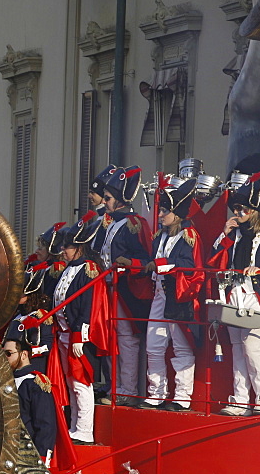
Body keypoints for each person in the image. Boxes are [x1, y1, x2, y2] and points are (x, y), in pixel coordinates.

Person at [208, 172, 260, 415]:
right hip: (233, 293)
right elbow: (213, 261)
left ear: (254, 210)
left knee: (252, 348)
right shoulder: (234, 234)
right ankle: (240, 400)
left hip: (256, 295)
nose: (237, 214)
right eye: (235, 209)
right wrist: (224, 234)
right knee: (236, 347)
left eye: (241, 209)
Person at [140, 179, 204, 411]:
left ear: (176, 214)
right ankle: (156, 393)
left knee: (181, 345)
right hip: (159, 295)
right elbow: (150, 262)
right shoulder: (160, 237)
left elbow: (188, 265)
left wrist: (160, 264)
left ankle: (182, 397)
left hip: (178, 296)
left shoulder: (189, 236)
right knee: (153, 345)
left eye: (165, 211)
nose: (160, 215)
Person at [93, 166, 152, 407]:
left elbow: (145, 258)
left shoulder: (133, 224)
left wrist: (129, 263)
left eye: (107, 198)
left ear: (119, 200)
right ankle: (113, 386)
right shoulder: (107, 223)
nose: (104, 202)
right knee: (111, 339)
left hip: (125, 289)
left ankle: (127, 389)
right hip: (106, 289)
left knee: (127, 339)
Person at [45, 221, 108, 445]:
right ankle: (75, 426)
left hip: (77, 334)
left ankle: (84, 429)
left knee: (81, 383)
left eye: (68, 247)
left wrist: (80, 334)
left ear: (79, 248)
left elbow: (87, 305)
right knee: (71, 382)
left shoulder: (88, 269)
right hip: (63, 331)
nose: (63, 250)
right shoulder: (68, 269)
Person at [3, 338, 56, 474]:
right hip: (9, 453)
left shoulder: (36, 382)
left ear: (24, 354)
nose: (4, 358)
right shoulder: (6, 381)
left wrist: (42, 457)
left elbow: (46, 423)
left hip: (29, 453)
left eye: (8, 354)